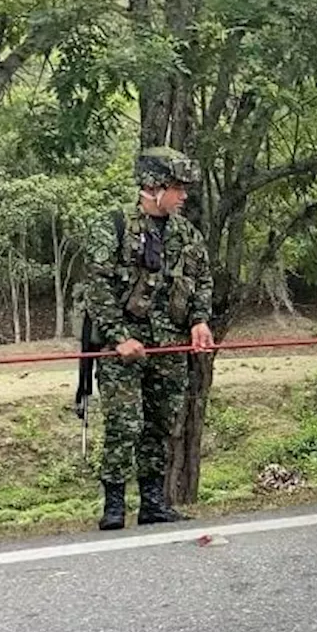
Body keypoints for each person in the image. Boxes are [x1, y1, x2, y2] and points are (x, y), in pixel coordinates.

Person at [82, 146, 214, 530]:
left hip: (169, 344)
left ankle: (154, 502)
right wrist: (119, 336)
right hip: (123, 347)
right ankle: (114, 505)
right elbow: (97, 288)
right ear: (154, 186)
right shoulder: (113, 226)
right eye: (177, 187)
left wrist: (199, 320)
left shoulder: (187, 234)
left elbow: (202, 280)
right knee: (125, 424)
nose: (183, 195)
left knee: (160, 423)